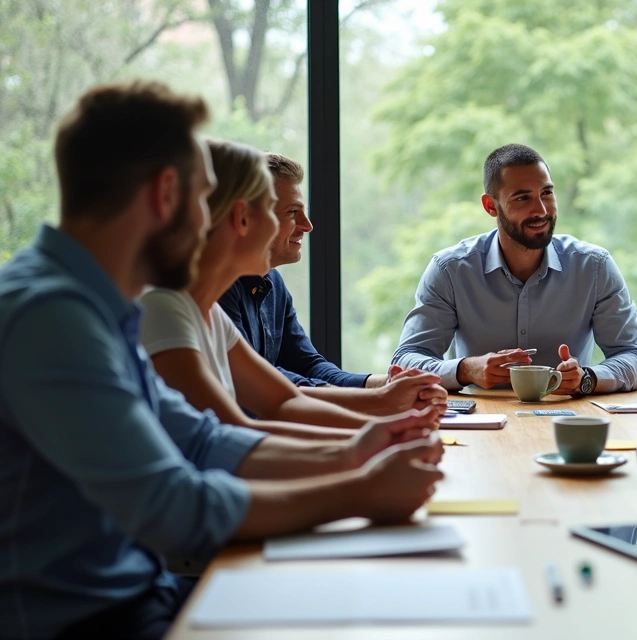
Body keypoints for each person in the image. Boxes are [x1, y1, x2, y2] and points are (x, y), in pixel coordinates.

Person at [0, 81, 444, 640]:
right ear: (166, 194)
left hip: (138, 594)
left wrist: (356, 449)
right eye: (203, 197)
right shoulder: (50, 316)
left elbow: (204, 440)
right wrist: (360, 488)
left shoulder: (94, 305)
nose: (213, 220)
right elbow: (173, 506)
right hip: (85, 622)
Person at [139, 139, 445, 439]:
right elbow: (229, 437)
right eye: (285, 214)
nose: (308, 226)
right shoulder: (165, 308)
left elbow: (283, 400)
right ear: (240, 218)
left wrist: (385, 401)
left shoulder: (212, 314)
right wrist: (372, 435)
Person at [391, 143, 637, 395]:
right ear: (490, 206)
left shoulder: (594, 267)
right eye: (522, 197)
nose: (540, 210)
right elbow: (404, 361)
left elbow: (636, 357)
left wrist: (587, 379)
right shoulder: (450, 270)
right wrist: (466, 370)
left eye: (546, 194)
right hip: (480, 427)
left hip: (567, 418)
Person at [218, 153, 434, 415]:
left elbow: (308, 365)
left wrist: (381, 384)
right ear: (244, 218)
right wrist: (376, 400)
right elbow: (261, 383)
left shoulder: (272, 281)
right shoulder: (217, 289)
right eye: (292, 213)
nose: (307, 226)